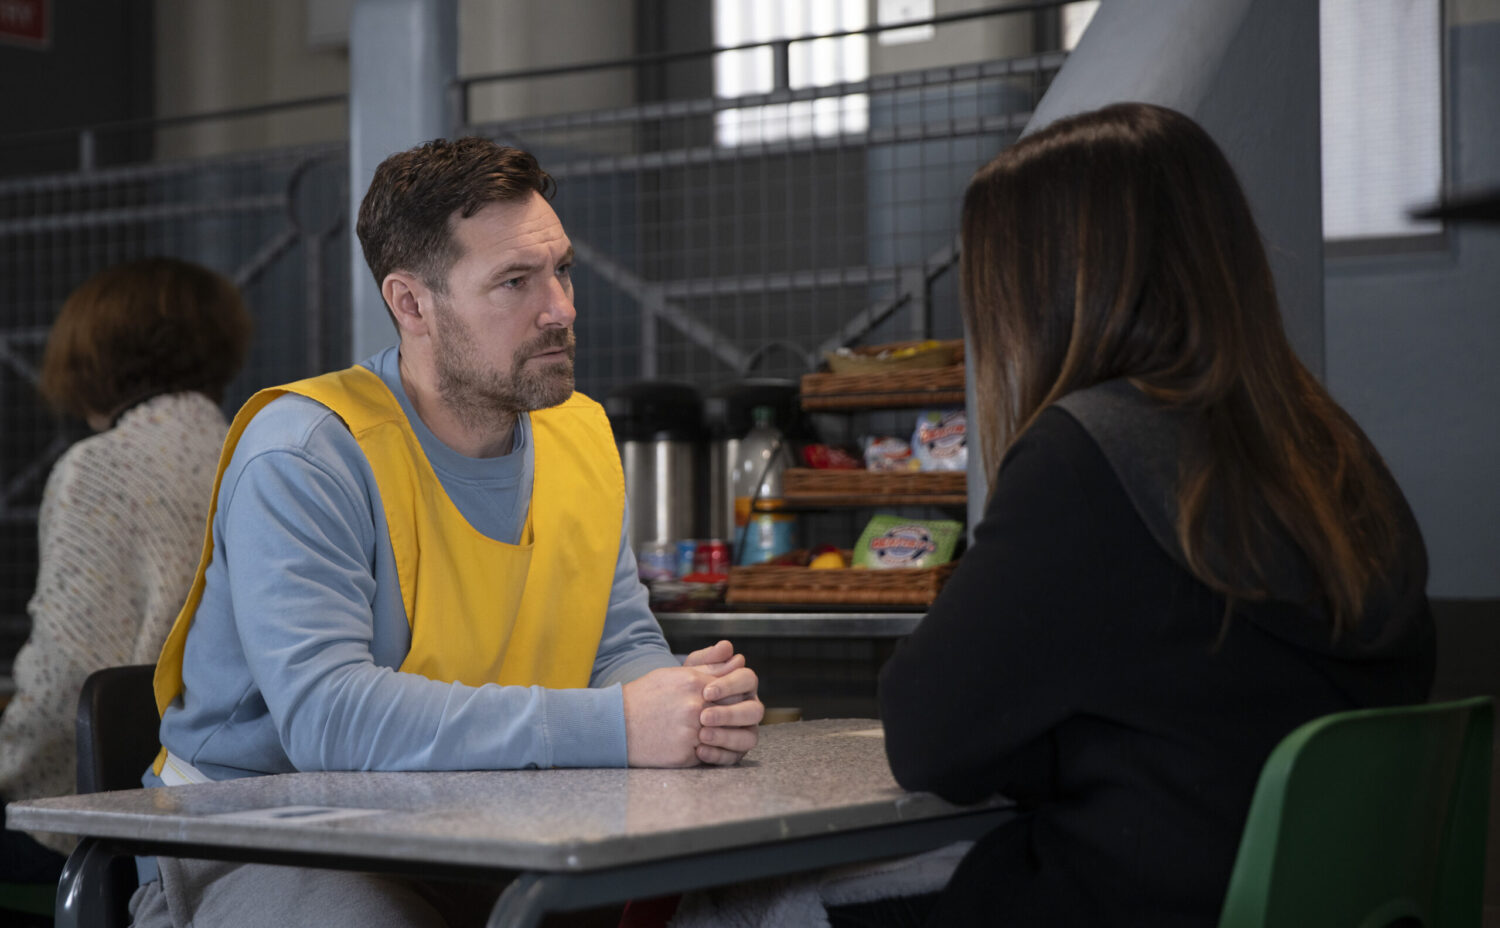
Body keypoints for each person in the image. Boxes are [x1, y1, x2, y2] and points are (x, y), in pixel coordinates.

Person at [127, 138, 764, 928]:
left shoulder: (581, 434)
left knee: (748, 897)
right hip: (259, 843)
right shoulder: (304, 454)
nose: (560, 308)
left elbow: (614, 644)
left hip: (483, 828)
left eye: (561, 270)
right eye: (514, 282)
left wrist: (685, 702)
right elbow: (330, 717)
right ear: (412, 304)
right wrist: (620, 724)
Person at [875, 103, 1434, 927]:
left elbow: (926, 738)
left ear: (1044, 293)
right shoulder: (1330, 453)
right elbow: (1197, 705)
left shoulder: (1085, 457)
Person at [0, 258, 251, 883]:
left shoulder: (101, 469)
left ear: (95, 355)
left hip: (107, 819)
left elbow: (67, 677)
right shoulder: (246, 450)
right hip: (219, 796)